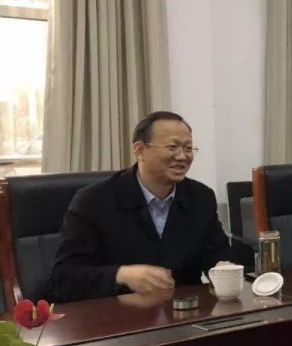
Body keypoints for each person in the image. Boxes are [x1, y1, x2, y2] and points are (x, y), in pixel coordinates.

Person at [49, 111, 234, 303]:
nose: (182, 156)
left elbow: (217, 257)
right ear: (139, 150)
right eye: (172, 147)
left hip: (186, 312)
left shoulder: (200, 197)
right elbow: (62, 279)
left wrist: (223, 268)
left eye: (188, 148)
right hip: (119, 315)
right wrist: (120, 275)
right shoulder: (94, 201)